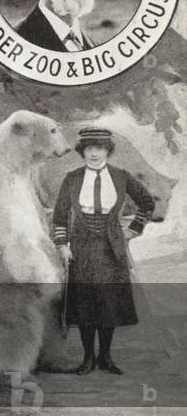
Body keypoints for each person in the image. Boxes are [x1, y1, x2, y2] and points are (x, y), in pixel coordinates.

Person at [52, 127, 155, 375]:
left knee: (108, 304)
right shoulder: (72, 178)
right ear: (82, 152)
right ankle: (88, 359)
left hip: (112, 249)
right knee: (86, 304)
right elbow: (60, 216)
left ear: (107, 150)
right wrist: (62, 247)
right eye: (89, 149)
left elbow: (147, 203)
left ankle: (105, 357)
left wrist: (134, 229)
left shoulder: (121, 177)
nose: (94, 154)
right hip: (82, 247)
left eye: (99, 148)